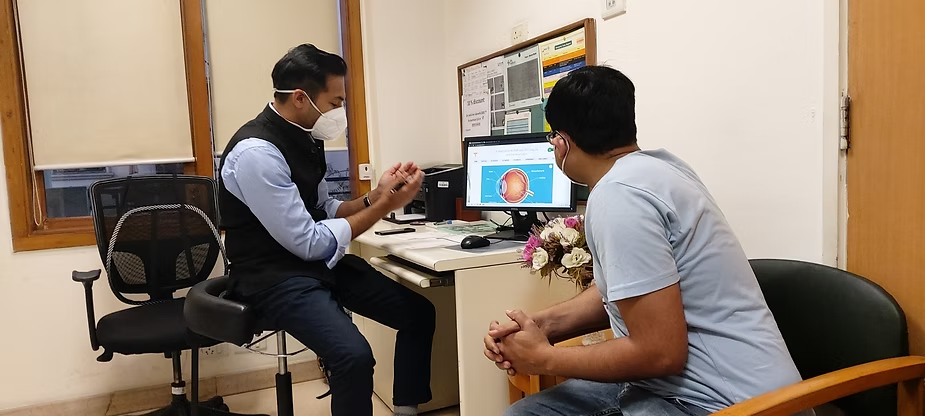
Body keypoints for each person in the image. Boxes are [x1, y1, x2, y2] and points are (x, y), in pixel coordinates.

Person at [483, 66, 808, 416]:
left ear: (562, 142)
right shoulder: (663, 169)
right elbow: (629, 289)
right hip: (688, 386)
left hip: (729, 403)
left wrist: (543, 358)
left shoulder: (619, 197)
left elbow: (659, 352)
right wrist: (541, 326)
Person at [218, 44, 434, 416]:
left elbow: (326, 210)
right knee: (352, 356)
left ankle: (406, 410)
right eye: (334, 103)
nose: (339, 112)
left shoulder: (306, 137)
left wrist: (377, 195)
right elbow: (309, 242)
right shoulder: (256, 153)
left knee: (419, 314)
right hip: (272, 277)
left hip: (317, 267)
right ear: (301, 98)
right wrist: (386, 206)